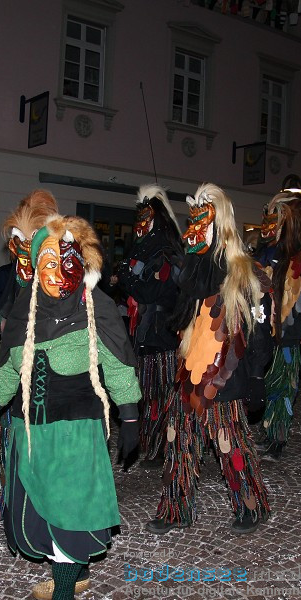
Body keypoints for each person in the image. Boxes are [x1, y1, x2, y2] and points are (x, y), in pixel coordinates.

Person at [0, 215, 141, 600]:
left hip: (74, 435)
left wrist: (130, 416)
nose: (57, 270)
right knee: (40, 515)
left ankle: (65, 589)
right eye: (47, 262)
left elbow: (117, 365)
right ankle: (75, 571)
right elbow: (7, 370)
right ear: (35, 267)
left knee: (70, 518)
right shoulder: (24, 310)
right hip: (31, 434)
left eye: (66, 260)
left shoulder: (93, 307)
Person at [146, 183, 274, 536]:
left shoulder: (244, 274)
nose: (197, 228)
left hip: (224, 376)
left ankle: (251, 505)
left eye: (205, 220)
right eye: (195, 220)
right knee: (178, 440)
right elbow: (181, 317)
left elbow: (259, 333)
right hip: (190, 370)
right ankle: (176, 508)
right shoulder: (195, 269)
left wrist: (256, 379)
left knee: (229, 443)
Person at [0, 190, 59, 527]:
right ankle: (1, 500)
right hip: (12, 365)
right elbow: (4, 302)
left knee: (38, 439)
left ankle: (39, 503)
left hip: (46, 372)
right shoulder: (11, 275)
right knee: (6, 431)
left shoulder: (58, 276)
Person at [116, 184, 182, 467]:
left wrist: (125, 277)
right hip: (143, 335)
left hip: (161, 336)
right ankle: (146, 442)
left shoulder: (165, 251)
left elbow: (149, 292)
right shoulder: (142, 248)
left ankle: (160, 448)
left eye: (147, 216)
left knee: (160, 394)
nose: (141, 223)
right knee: (144, 392)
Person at [256, 191, 301, 462]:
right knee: (267, 386)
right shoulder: (263, 254)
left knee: (284, 388)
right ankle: (269, 432)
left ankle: (278, 440)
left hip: (288, 337)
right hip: (264, 336)